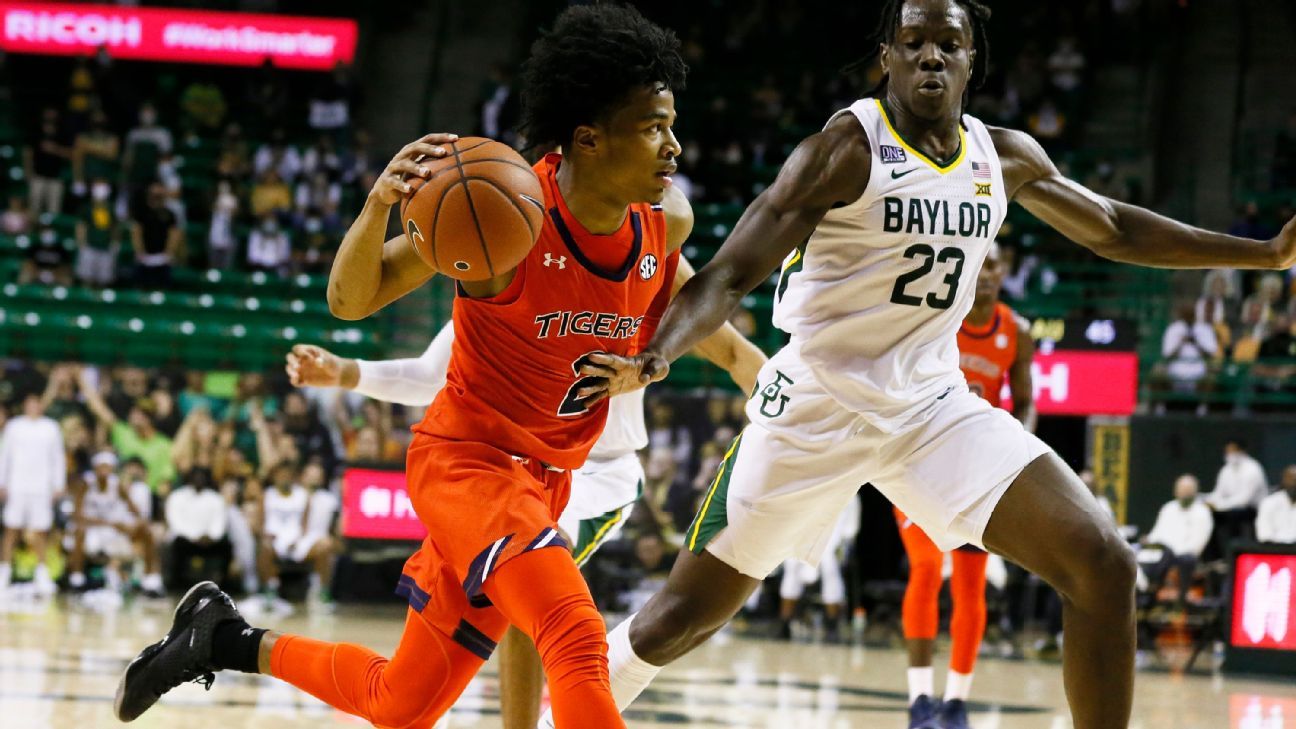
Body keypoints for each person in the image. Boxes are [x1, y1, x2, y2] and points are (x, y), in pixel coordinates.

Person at [572, 2, 1296, 727]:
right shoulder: (845, 149)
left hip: (929, 406)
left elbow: (1110, 228)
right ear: (885, 57)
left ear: (971, 60)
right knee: (677, 620)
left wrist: (1263, 252)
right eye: (913, 43)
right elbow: (727, 275)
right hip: (816, 405)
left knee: (1104, 563)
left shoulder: (1002, 155)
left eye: (948, 44)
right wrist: (656, 352)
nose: (930, 58)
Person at [115, 7, 695, 727]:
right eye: (653, 127)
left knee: (402, 703)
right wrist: (377, 207)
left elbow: (675, 316)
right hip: (469, 465)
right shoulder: (501, 208)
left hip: (545, 479)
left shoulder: (664, 224)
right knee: (573, 628)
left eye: (671, 124)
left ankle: (219, 637)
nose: (673, 146)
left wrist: (649, 364)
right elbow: (348, 300)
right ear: (588, 138)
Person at [283, 284, 761, 727]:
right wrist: (347, 372)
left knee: (540, 580)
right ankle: (238, 642)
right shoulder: (510, 262)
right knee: (403, 698)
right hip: (508, 471)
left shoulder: (644, 255)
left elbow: (733, 346)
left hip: (596, 472)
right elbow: (431, 374)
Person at [895, 240, 1035, 729]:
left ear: (1004, 270)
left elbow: (1027, 401)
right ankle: (919, 701)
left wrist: (1016, 445)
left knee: (971, 586)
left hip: (979, 468)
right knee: (928, 570)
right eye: (983, 263)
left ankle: (956, 702)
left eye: (997, 264)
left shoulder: (1018, 330)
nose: (989, 272)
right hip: (922, 462)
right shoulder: (939, 318)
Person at [0, 393, 65, 595]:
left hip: (41, 488)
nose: (33, 407)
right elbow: (5, 455)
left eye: (36, 403)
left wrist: (58, 484)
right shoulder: (14, 426)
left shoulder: (51, 427)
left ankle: (41, 573)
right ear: (24, 405)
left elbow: (57, 457)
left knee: (40, 531)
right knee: (11, 529)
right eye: (29, 403)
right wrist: (2, 482)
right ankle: (4, 572)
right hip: (17, 485)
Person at [778, 490, 860, 643]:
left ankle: (832, 624)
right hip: (803, 542)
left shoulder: (850, 491)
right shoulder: (806, 486)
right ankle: (785, 623)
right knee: (792, 564)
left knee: (830, 565)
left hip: (832, 547)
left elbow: (850, 530)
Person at [1140, 475, 1213, 605]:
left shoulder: (1202, 512)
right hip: (1163, 552)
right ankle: (1143, 590)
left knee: (1182, 558)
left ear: (1194, 492)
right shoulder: (1168, 508)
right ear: (1176, 491)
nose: (1184, 493)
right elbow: (1156, 534)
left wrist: (1173, 552)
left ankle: (1176, 599)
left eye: (1188, 490)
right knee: (1142, 554)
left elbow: (1197, 544)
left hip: (1184, 556)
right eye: (1181, 489)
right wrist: (1148, 541)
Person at [1204, 440, 1268, 552]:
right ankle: (1215, 557)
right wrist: (1209, 502)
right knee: (1207, 515)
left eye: (1233, 451)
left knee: (1232, 516)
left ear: (1242, 451)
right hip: (1229, 508)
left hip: (1253, 509)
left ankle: (1234, 553)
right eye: (1227, 451)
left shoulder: (1253, 469)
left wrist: (1220, 506)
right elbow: (1218, 493)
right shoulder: (1226, 470)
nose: (1230, 454)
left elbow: (1244, 500)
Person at [1256, 465, 1296, 544]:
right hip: (1274, 549)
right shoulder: (1269, 502)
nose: (1293, 484)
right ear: (1284, 481)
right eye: (1291, 480)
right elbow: (1264, 534)